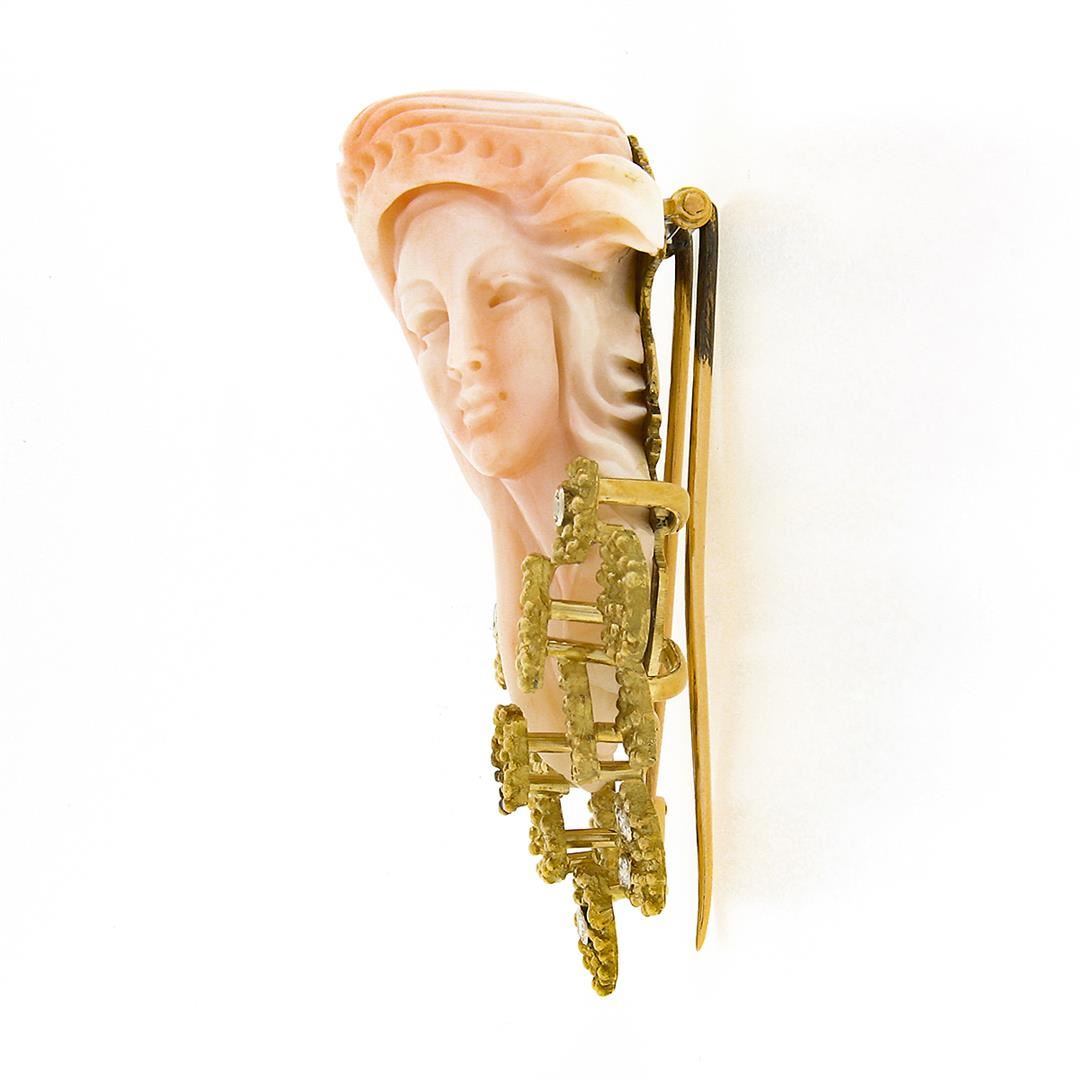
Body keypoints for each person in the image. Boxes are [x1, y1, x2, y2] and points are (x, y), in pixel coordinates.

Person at [340, 90, 665, 736]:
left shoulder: (606, 568)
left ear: (578, 318)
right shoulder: (533, 601)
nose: (463, 355)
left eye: (501, 296)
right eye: (430, 322)